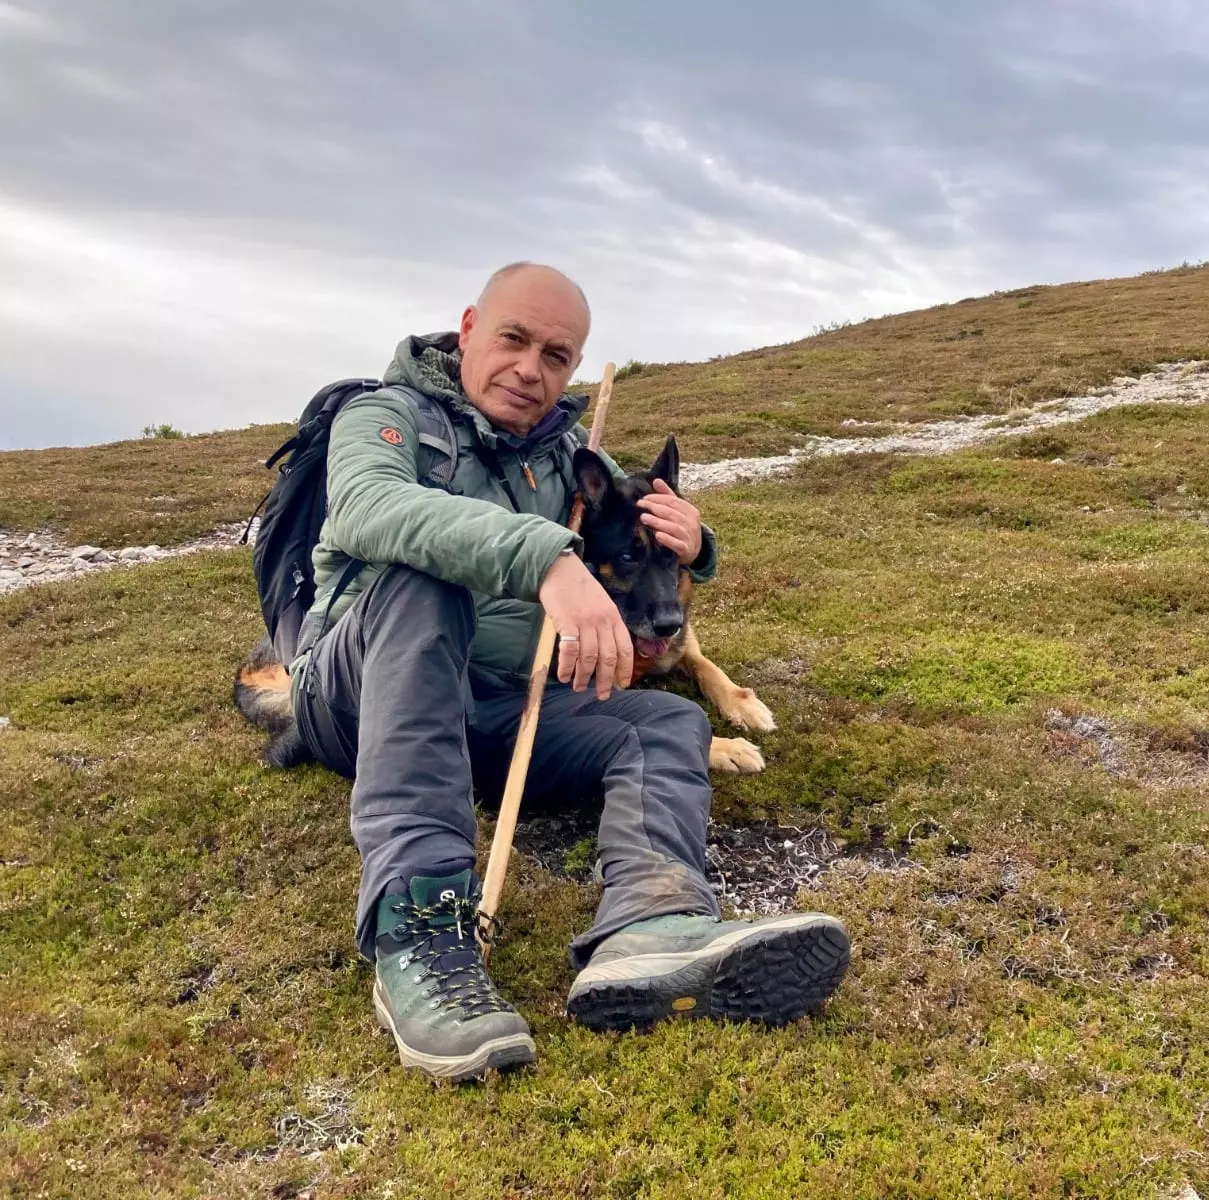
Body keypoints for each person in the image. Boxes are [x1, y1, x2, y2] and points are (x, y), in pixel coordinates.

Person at [288, 263, 851, 1081]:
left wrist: (696, 538)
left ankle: (652, 923)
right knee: (421, 577)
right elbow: (374, 510)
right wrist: (547, 555)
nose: (531, 368)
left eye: (556, 355)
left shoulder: (566, 459)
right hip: (364, 696)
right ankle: (422, 937)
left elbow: (639, 526)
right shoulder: (383, 416)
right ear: (471, 326)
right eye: (514, 339)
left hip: (501, 712)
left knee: (667, 722)